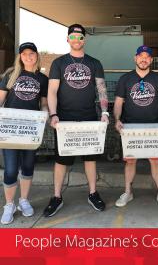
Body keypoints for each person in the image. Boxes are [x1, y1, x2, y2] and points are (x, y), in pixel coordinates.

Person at [43, 24, 109, 217]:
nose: (76, 40)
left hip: (89, 117)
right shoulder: (59, 63)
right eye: (73, 37)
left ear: (84, 40)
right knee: (61, 160)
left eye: (80, 37)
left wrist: (105, 111)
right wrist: (53, 114)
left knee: (90, 158)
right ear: (67, 39)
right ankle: (56, 197)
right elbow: (52, 91)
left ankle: (93, 193)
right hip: (64, 120)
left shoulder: (94, 63)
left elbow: (102, 89)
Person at [114, 45, 158, 209]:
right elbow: (118, 102)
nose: (144, 59)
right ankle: (127, 192)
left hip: (153, 126)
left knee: (155, 162)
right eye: (141, 56)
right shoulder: (125, 79)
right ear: (135, 58)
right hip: (130, 126)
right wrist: (117, 119)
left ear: (151, 60)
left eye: (147, 56)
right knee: (130, 161)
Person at [0, 42, 48, 224]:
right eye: (25, 53)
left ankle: (24, 201)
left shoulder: (42, 79)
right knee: (11, 170)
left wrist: (45, 112)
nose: (28, 56)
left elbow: (43, 102)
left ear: (37, 55)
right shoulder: (11, 75)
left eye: (32, 53)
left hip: (30, 129)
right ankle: (9, 205)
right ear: (20, 56)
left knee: (28, 167)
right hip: (11, 130)